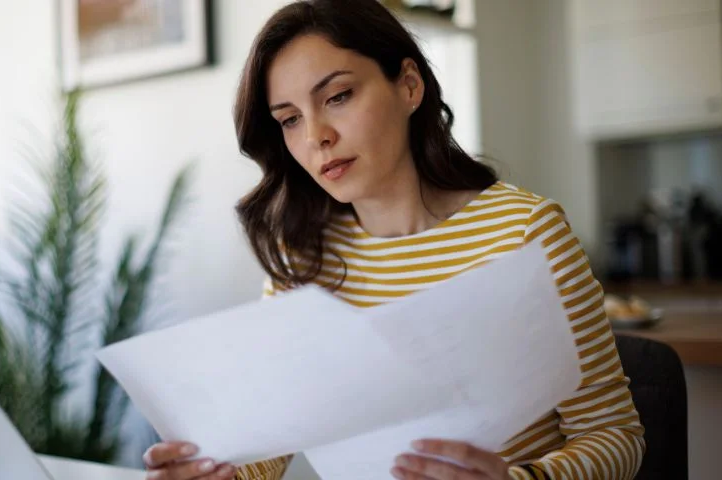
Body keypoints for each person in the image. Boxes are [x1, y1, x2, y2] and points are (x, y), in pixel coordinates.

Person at [142, 1, 646, 479]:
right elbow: (268, 454)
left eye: (337, 97)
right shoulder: (303, 259)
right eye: (290, 119)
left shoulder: (525, 232)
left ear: (408, 86)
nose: (316, 135)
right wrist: (215, 472)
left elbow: (615, 435)